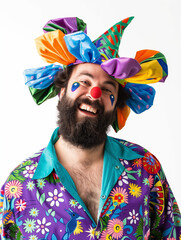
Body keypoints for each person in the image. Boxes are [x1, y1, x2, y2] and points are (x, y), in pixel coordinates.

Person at [0, 16, 181, 240]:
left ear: (115, 106)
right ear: (62, 91)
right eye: (83, 82)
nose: (94, 94)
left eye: (107, 90)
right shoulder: (19, 186)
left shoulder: (145, 168)